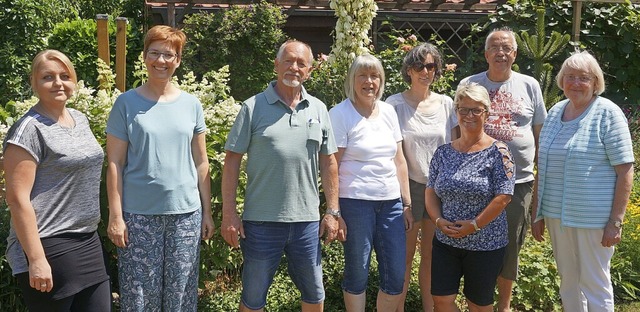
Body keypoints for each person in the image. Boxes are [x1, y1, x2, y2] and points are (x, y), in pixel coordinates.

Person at [221, 39, 345, 312]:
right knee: (253, 299)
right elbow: (231, 162)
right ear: (276, 65)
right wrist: (229, 213)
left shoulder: (319, 109)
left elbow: (329, 163)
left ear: (310, 71)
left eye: (301, 63)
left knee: (314, 295)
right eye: (288, 61)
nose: (294, 67)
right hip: (261, 223)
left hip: (307, 223)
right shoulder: (252, 107)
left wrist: (332, 211)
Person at [105, 25, 214, 312]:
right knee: (139, 295)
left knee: (181, 295)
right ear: (144, 56)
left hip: (185, 216)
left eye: (169, 54)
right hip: (138, 216)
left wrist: (207, 212)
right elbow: (115, 163)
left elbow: (201, 162)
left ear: (178, 60)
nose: (161, 61)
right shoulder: (126, 104)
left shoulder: (192, 105)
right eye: (155, 53)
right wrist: (116, 216)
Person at [3, 49, 111, 311]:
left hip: (87, 241)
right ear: (34, 83)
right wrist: (36, 259)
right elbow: (17, 200)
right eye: (48, 77)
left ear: (74, 81)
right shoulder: (29, 129)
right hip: (49, 244)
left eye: (65, 76)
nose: (58, 83)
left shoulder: (80, 119)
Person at [531, 51, 634, 312]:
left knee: (594, 282)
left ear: (595, 82)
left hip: (593, 219)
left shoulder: (607, 113)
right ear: (561, 80)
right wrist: (538, 212)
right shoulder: (555, 112)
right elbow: (542, 164)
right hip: (556, 215)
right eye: (570, 77)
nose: (575, 83)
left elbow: (625, 170)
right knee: (568, 282)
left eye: (583, 78)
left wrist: (615, 221)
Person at [460, 26, 547, 312]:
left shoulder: (529, 85)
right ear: (486, 54)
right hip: (476, 181)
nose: (501, 52)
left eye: (506, 48)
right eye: (495, 47)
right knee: (475, 241)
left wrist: (539, 188)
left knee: (510, 248)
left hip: (517, 183)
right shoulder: (470, 84)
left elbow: (540, 136)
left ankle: (504, 307)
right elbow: (455, 134)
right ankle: (478, 301)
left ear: (515, 53)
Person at [329, 54, 413, 311]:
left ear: (381, 80)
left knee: (396, 275)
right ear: (352, 81)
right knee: (357, 271)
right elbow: (332, 165)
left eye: (374, 76)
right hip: (355, 203)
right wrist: (335, 211)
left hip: (391, 204)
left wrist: (406, 202)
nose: (369, 81)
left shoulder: (388, 111)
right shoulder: (340, 114)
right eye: (362, 76)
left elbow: (399, 160)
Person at [426, 83, 515, 312]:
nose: (469, 115)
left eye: (476, 110)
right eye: (464, 109)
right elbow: (430, 191)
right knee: (441, 301)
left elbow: (504, 196)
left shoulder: (499, 152)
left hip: (485, 243)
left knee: (478, 304)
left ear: (487, 113)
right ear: (456, 112)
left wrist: (474, 225)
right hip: (446, 241)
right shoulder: (443, 152)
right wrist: (437, 221)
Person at [385, 43, 459, 312]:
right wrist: (404, 197)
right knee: (403, 257)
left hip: (440, 189)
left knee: (430, 256)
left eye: (431, 66)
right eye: (419, 66)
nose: (425, 71)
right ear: (409, 70)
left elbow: (455, 145)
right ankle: (398, 308)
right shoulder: (394, 105)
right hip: (409, 188)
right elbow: (393, 153)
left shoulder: (447, 104)